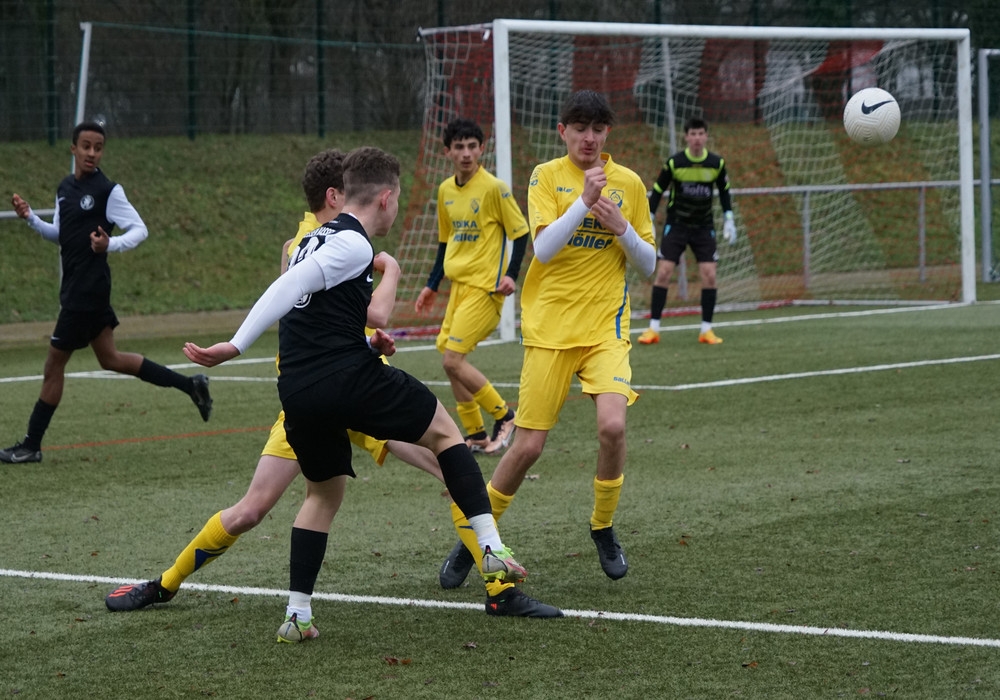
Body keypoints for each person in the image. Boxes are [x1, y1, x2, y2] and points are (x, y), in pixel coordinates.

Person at [182, 146, 562, 642]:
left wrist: (365, 342)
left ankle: (297, 615)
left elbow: (319, 317)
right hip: (344, 379)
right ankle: (490, 548)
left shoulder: (310, 240)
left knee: (322, 495)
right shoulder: (353, 243)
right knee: (447, 435)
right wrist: (235, 344)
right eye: (398, 200)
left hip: (297, 390)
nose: (397, 209)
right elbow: (288, 288)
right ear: (385, 198)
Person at [104, 149, 447, 614]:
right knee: (256, 508)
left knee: (445, 460)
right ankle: (166, 583)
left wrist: (368, 343)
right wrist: (391, 273)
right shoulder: (323, 243)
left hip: (343, 384)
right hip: (318, 395)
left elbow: (336, 321)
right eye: (350, 190)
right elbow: (364, 313)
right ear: (336, 195)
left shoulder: (317, 241)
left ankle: (490, 567)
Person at [438, 90, 656, 589]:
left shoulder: (629, 184)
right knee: (528, 447)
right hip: (550, 331)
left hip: (605, 330)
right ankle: (476, 539)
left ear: (607, 133)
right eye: (579, 129)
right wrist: (585, 202)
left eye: (597, 129)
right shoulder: (545, 176)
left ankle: (603, 527)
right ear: (563, 132)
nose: (589, 138)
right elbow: (544, 248)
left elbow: (648, 263)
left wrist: (622, 228)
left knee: (613, 427)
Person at [0, 121, 212, 465]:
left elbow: (140, 230)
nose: (92, 153)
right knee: (110, 359)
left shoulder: (108, 191)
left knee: (53, 365)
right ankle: (192, 385)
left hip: (87, 292)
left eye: (98, 148)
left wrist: (109, 244)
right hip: (79, 289)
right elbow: (61, 235)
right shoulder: (65, 188)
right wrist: (31, 219)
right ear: (73, 148)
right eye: (86, 146)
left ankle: (31, 445)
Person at [414, 118, 528, 456]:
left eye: (472, 146)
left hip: (485, 290)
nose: (466, 153)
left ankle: (505, 416)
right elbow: (445, 242)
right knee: (450, 361)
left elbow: (520, 232)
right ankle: (476, 434)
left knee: (453, 361)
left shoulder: (494, 188)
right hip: (458, 289)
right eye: (459, 147)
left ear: (481, 149)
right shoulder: (445, 191)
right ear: (447, 152)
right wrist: (432, 284)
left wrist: (512, 275)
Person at [637, 116, 737, 346]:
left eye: (701, 133)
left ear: (706, 136)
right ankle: (653, 329)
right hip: (677, 225)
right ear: (686, 137)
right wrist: (649, 217)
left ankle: (706, 330)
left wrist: (729, 219)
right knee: (663, 272)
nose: (697, 138)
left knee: (709, 275)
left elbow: (724, 192)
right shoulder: (675, 163)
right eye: (693, 134)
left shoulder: (716, 163)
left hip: (703, 227)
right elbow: (658, 190)